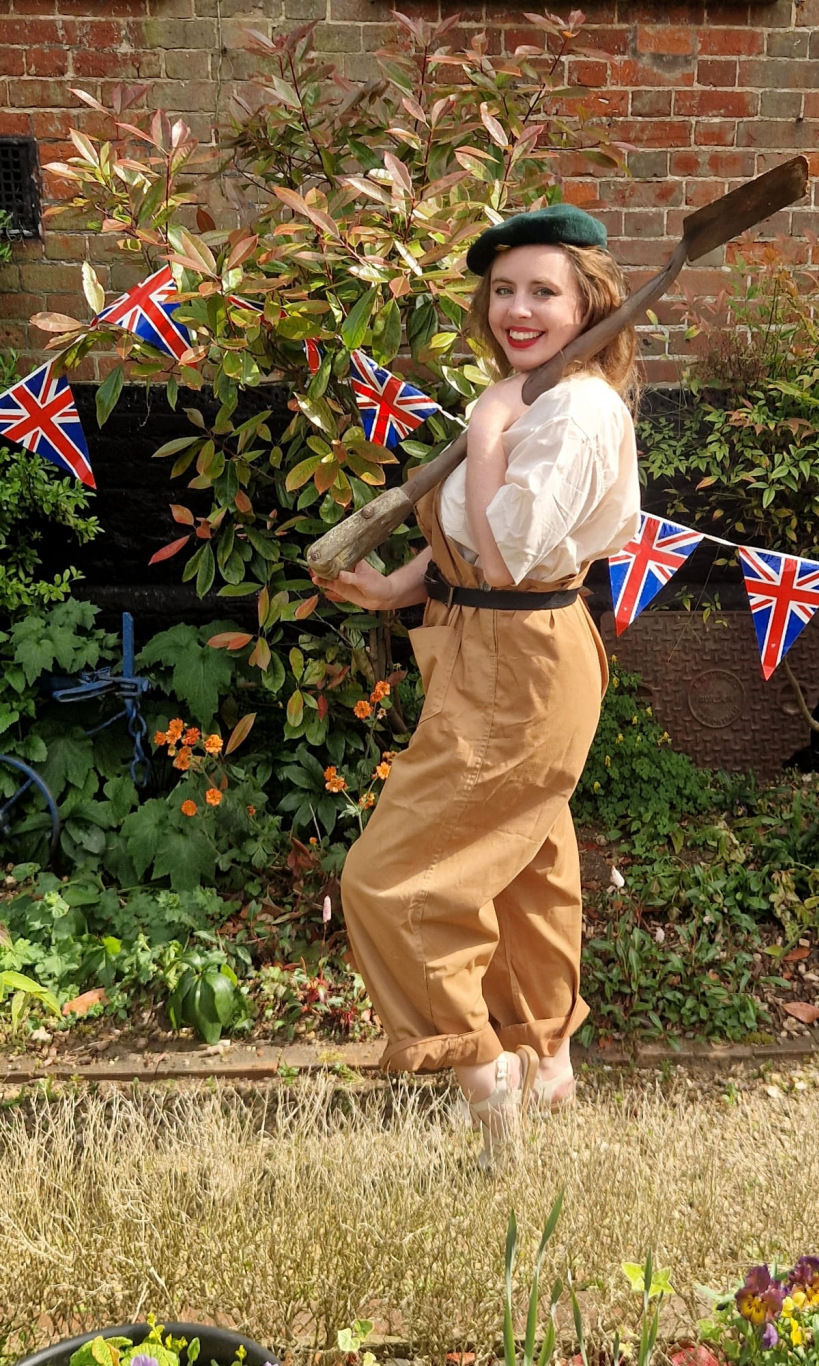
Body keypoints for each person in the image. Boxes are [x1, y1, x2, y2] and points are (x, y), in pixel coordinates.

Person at [311, 203, 641, 1167]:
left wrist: (493, 426)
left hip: (520, 664)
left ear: (591, 303)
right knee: (528, 864)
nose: (518, 309)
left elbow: (509, 560)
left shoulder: (573, 410)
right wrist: (392, 590)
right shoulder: (531, 395)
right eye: (504, 289)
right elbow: (466, 546)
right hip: (484, 650)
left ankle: (483, 1077)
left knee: (391, 878)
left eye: (544, 290)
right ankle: (549, 1068)